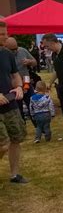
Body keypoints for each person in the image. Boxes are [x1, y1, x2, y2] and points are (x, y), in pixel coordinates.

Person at [0, 21, 28, 184]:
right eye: (1, 34)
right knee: (3, 145)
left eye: (6, 33)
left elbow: (15, 75)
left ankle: (14, 175)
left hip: (10, 105)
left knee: (16, 139)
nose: (5, 37)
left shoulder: (7, 54)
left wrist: (18, 87)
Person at [4, 37, 37, 121]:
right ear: (5, 47)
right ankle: (22, 124)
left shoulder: (22, 50)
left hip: (26, 80)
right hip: (13, 85)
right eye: (12, 50)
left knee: (32, 103)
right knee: (18, 108)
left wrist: (29, 61)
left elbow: (35, 62)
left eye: (16, 48)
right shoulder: (4, 55)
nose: (15, 51)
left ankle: (38, 126)